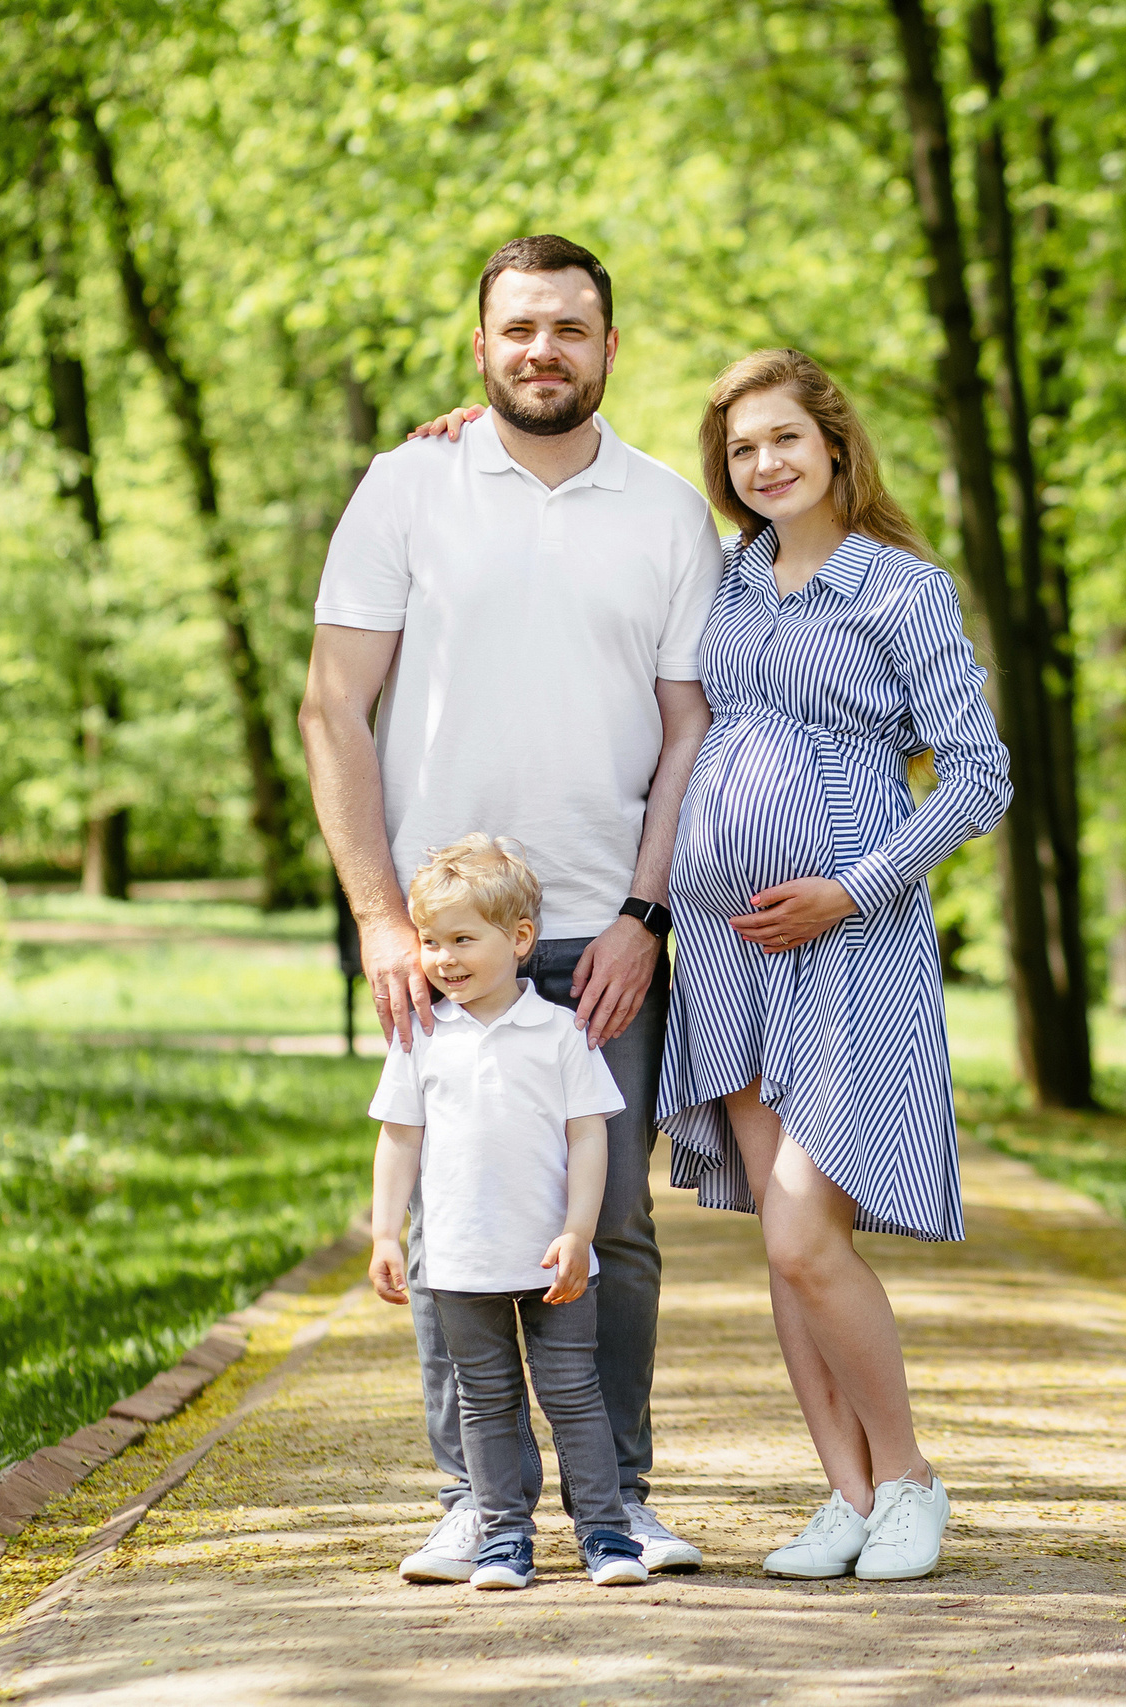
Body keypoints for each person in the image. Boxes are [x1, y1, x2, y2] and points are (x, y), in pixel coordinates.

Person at [300, 234, 721, 1582]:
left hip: (604, 924)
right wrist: (378, 917)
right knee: (450, 1222)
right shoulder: (405, 485)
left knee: (612, 1228)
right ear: (480, 345)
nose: (544, 348)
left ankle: (625, 1500)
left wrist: (646, 914)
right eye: (520, 327)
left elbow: (688, 727)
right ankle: (472, 1503)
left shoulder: (668, 512)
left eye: (572, 328)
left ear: (612, 347)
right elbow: (333, 707)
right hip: (449, 933)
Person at [661, 349, 1011, 1582]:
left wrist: (851, 887)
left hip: (850, 937)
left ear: (835, 447)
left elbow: (977, 775)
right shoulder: (727, 580)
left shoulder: (898, 589)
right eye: (742, 449)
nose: (763, 464)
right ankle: (845, 1498)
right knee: (777, 1242)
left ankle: (911, 1479)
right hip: (725, 946)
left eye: (783, 442)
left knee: (810, 1231)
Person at [365, 835, 646, 1590]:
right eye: (431, 941)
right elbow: (398, 1140)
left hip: (550, 1255)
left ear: (519, 939)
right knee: (484, 1403)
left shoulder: (560, 1032)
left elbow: (590, 1138)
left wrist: (580, 1230)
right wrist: (385, 1232)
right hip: (459, 1261)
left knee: (571, 1394)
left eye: (464, 938)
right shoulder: (420, 1037)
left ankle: (605, 1534)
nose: (444, 958)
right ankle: (501, 1539)